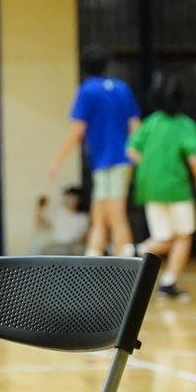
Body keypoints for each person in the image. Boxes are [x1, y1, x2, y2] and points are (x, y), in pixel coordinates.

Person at [48, 47, 140, 256]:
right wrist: (135, 151)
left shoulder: (87, 90)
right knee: (98, 217)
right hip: (118, 161)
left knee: (116, 216)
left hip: (110, 161)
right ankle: (92, 263)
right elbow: (135, 125)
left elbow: (78, 131)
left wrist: (57, 159)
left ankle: (127, 269)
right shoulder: (122, 88)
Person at [127, 75, 196, 301]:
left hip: (149, 187)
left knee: (164, 237)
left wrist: (148, 167)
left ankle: (132, 252)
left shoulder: (150, 122)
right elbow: (194, 158)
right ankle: (166, 280)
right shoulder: (185, 125)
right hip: (176, 188)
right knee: (183, 236)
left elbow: (131, 151)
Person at [34, 185, 90, 255]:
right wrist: (39, 208)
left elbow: (86, 235)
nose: (72, 200)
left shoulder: (83, 217)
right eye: (70, 197)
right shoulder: (57, 213)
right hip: (58, 246)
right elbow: (42, 224)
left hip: (75, 247)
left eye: (75, 198)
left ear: (79, 200)